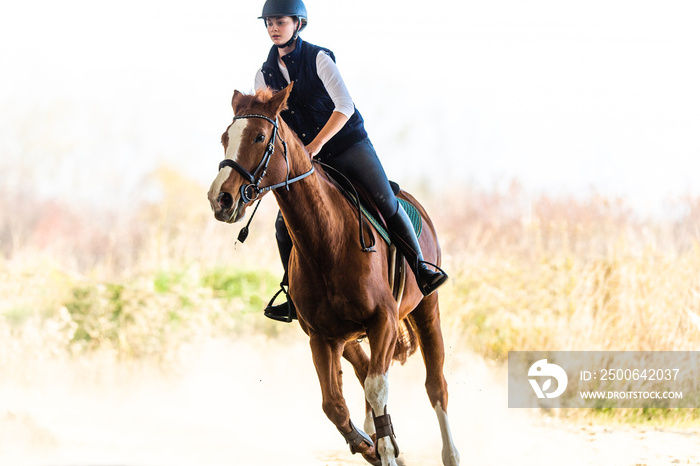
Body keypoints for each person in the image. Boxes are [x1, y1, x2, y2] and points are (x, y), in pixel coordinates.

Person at [253, 0, 448, 322]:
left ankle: (421, 268)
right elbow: (270, 122)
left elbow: (343, 107)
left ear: (298, 24)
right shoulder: (264, 73)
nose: (273, 28)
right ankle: (291, 294)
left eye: (280, 22)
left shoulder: (319, 58)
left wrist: (315, 144)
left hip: (347, 144)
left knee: (384, 199)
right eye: (269, 23)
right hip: (309, 159)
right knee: (283, 224)